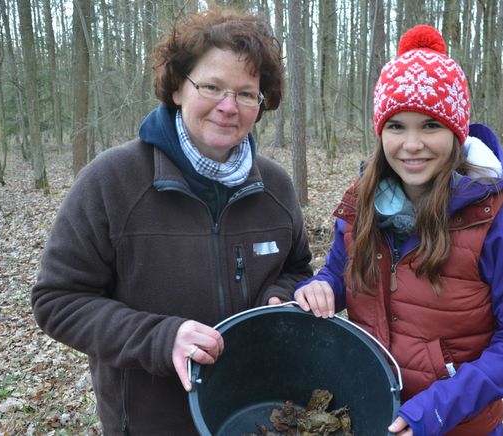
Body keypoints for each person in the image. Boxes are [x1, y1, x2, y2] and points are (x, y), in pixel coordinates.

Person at [31, 7, 312, 434]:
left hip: (255, 414)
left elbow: (296, 269)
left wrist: (280, 295)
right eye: (212, 86)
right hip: (151, 420)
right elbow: (58, 300)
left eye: (245, 93)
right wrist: (162, 338)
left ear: (261, 101)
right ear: (178, 87)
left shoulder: (275, 187)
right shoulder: (113, 181)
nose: (227, 107)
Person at [294, 25, 503, 435]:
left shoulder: (502, 220)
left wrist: (437, 408)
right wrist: (321, 287)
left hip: (458, 424)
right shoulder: (360, 204)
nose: (411, 144)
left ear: (456, 130)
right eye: (396, 126)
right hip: (366, 415)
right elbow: (340, 275)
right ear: (380, 132)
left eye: (430, 125)